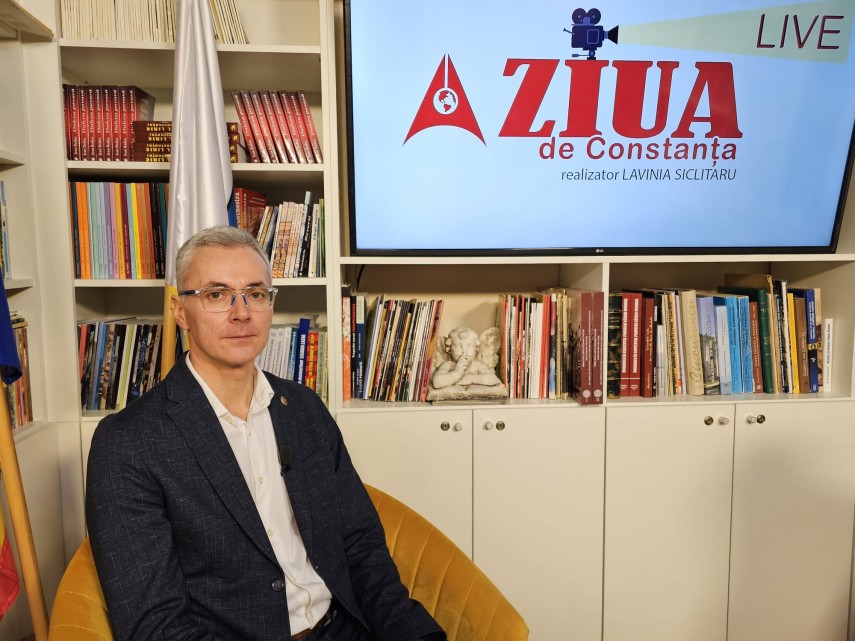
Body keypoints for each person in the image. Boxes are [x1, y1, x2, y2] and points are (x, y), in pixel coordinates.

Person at [86, 226, 445, 641]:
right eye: (216, 294)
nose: (242, 313)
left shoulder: (305, 409)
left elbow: (360, 545)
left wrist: (415, 634)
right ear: (180, 311)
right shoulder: (128, 443)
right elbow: (156, 626)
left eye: (255, 293)